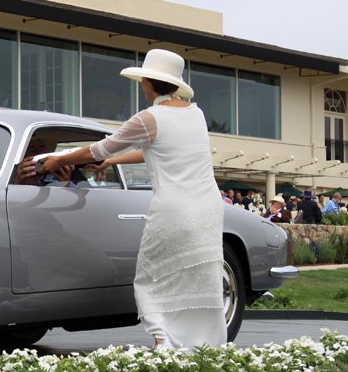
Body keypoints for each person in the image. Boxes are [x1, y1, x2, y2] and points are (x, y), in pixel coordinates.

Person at [38, 48, 225, 350]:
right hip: (208, 209)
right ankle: (205, 347)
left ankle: (164, 341)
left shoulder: (148, 117)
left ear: (148, 82)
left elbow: (97, 150)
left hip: (174, 209)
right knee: (200, 277)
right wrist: (112, 164)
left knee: (151, 278)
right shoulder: (195, 113)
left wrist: (57, 161)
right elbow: (157, 149)